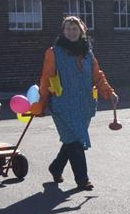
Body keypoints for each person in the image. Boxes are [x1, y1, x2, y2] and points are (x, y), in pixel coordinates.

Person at [30, 16, 118, 190]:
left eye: (75, 29)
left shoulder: (88, 53)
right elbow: (46, 78)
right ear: (63, 31)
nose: (72, 32)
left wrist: (109, 92)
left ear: (82, 31)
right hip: (62, 105)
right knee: (75, 142)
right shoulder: (54, 53)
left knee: (72, 140)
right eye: (68, 29)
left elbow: (97, 76)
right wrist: (41, 102)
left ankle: (56, 167)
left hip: (84, 105)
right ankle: (82, 179)